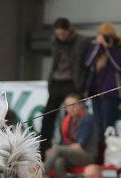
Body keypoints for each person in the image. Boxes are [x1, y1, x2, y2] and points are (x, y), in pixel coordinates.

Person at [39, 17, 88, 156]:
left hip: (72, 83)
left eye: (63, 34)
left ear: (69, 30)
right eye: (58, 34)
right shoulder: (54, 41)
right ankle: (43, 150)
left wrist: (82, 83)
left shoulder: (81, 42)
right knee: (48, 116)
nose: (60, 37)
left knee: (70, 118)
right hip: (56, 82)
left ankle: (65, 148)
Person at [43, 94, 98, 178]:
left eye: (74, 105)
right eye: (68, 106)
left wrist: (57, 150)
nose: (71, 108)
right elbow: (64, 143)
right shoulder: (67, 119)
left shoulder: (87, 118)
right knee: (59, 161)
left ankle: (42, 175)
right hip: (73, 153)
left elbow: (80, 145)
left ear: (80, 105)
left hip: (87, 154)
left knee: (56, 149)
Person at [83, 22, 121, 135]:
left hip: (111, 93)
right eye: (103, 35)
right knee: (98, 126)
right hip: (96, 93)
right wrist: (98, 45)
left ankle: (109, 149)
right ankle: (101, 150)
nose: (106, 38)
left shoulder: (120, 48)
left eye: (108, 35)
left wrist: (108, 48)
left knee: (108, 125)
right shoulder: (97, 50)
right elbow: (88, 63)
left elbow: (118, 66)